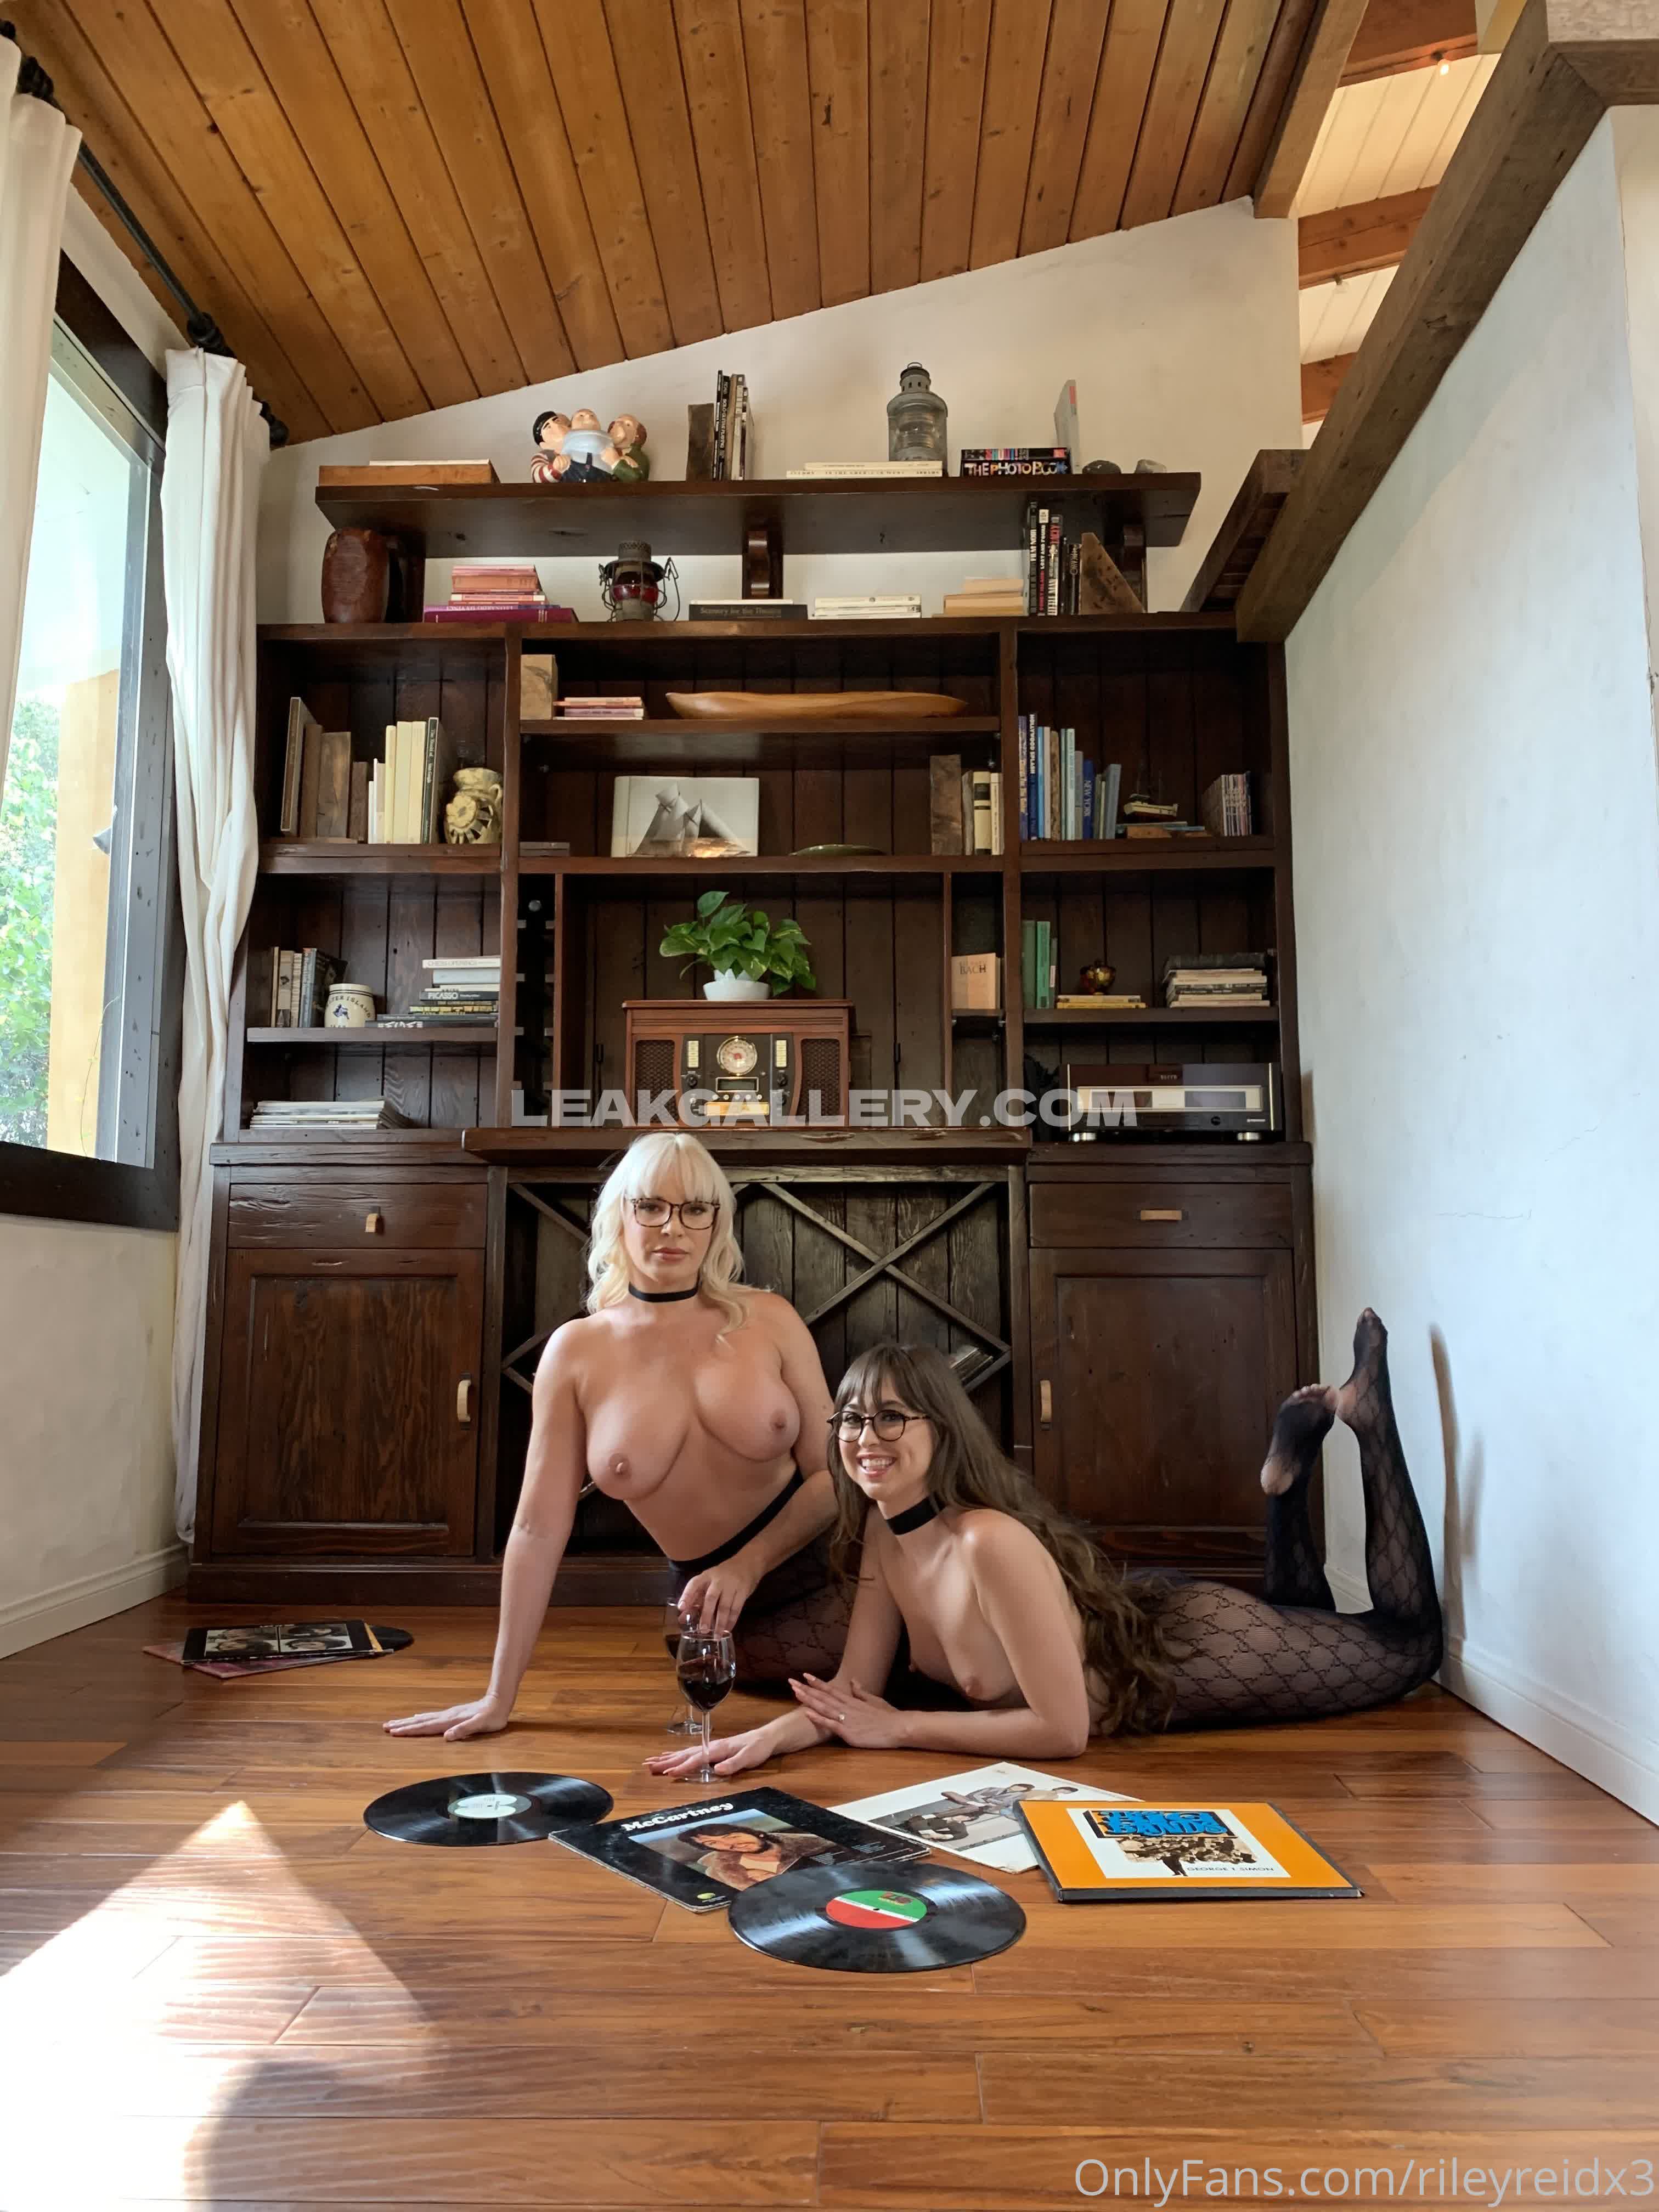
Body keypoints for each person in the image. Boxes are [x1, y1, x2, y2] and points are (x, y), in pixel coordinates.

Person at [647, 1313, 1443, 1776]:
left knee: (1407, 1647)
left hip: (1192, 1654)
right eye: (852, 1419)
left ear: (941, 1430)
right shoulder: (885, 1537)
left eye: (891, 1418)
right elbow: (853, 1695)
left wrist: (902, 1727)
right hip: (1136, 1619)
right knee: (1312, 1615)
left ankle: (1369, 1423)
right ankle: (1286, 1488)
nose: (865, 1438)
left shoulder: (988, 1542)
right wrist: (761, 1742)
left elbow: (1063, 1734)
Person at [386, 1130, 853, 1741]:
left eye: (695, 1209)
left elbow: (833, 1475)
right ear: (619, 1216)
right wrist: (499, 1696)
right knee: (867, 1680)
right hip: (713, 1616)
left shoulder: (769, 1319)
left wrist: (748, 1564)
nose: (672, 1228)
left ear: (716, 1223)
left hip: (833, 1569)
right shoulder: (576, 1351)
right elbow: (536, 1529)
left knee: (946, 1658)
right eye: (651, 1207)